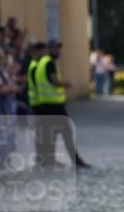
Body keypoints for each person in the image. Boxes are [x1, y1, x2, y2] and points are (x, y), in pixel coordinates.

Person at [35, 40, 91, 169]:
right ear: (50, 49)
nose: (58, 51)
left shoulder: (43, 62)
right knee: (66, 131)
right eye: (56, 48)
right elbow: (54, 81)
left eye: (59, 48)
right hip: (54, 105)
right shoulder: (49, 63)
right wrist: (65, 83)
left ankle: (49, 159)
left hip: (46, 104)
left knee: (51, 133)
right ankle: (75, 159)